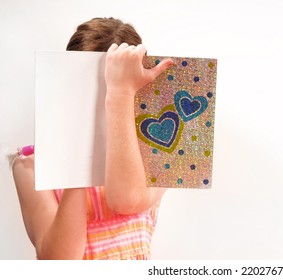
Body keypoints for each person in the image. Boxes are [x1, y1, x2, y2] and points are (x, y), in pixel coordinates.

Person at [11, 17, 173, 260]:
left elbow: (127, 200)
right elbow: (59, 261)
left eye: (111, 87)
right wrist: (75, 147)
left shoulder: (157, 150)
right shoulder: (30, 165)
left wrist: (120, 93)